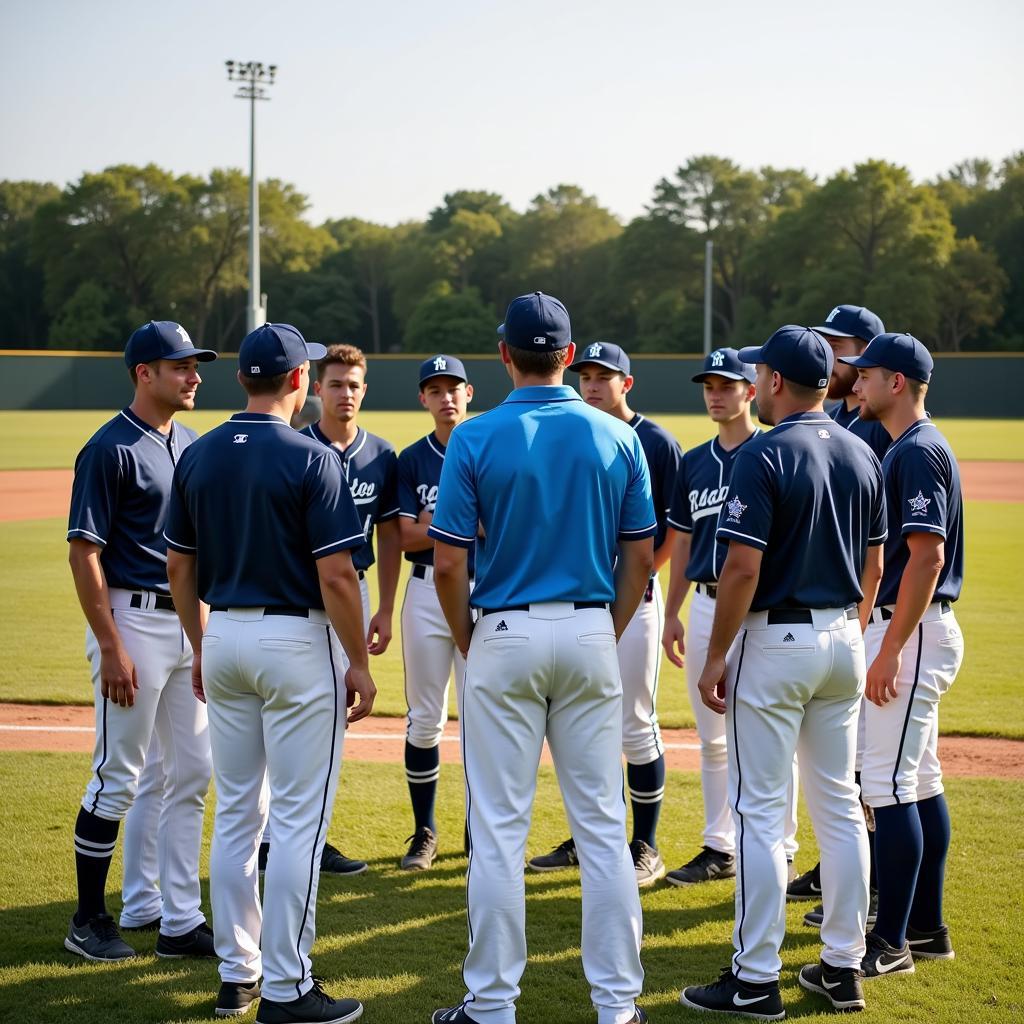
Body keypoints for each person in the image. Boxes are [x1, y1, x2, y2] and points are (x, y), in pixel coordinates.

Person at [428, 292, 654, 1024]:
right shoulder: (618, 436)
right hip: (590, 630)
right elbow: (641, 556)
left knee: (498, 831)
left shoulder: (473, 436)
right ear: (568, 354)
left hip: (503, 631)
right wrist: (606, 630)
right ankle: (618, 1007)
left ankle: (492, 1007)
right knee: (600, 826)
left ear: (503, 355)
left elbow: (446, 566)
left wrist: (470, 640)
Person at [164, 322, 376, 1024]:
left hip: (222, 635)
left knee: (236, 817)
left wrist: (199, 645)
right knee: (296, 822)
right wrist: (360, 664)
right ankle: (288, 986)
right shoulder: (312, 457)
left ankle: (238, 975)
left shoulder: (197, 454)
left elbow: (178, 565)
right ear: (296, 382)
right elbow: (339, 576)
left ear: (241, 379)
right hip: (294, 641)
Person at [680, 326, 887, 1018]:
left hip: (777, 640)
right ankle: (842, 967)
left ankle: (755, 978)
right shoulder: (863, 450)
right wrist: (845, 639)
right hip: (842, 636)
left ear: (770, 381)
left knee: (762, 813)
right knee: (838, 807)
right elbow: (876, 567)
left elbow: (741, 567)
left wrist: (716, 655)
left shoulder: (763, 453)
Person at [64, 320, 216, 963]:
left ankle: (173, 917)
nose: (194, 375)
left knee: (190, 772)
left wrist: (205, 637)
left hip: (186, 623)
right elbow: (84, 552)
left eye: (195, 364)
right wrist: (110, 644)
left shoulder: (190, 443)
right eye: (180, 365)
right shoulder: (110, 447)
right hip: (132, 621)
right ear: (143, 373)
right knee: (119, 777)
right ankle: (88, 919)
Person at [527, 341, 680, 886]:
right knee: (582, 728)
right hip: (584, 603)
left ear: (626, 383)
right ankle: (589, 834)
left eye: (604, 375)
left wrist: (640, 581)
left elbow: (671, 531)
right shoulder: (573, 430)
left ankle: (646, 844)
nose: (592, 384)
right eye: (585, 374)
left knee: (635, 723)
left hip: (633, 600)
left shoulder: (655, 441)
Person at [842, 333, 964, 977]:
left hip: (911, 632)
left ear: (896, 382)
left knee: (888, 787)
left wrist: (888, 649)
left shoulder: (915, 451)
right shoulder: (908, 446)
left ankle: (890, 944)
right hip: (913, 630)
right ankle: (926, 927)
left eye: (865, 375)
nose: (854, 384)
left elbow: (927, 556)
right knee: (917, 780)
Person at [661, 348, 801, 886]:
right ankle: (719, 846)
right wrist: (672, 611)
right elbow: (682, 540)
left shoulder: (773, 451)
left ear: (753, 389)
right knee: (712, 735)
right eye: (709, 386)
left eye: (727, 384)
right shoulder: (693, 462)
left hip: (761, 606)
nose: (715, 394)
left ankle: (783, 849)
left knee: (773, 736)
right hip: (704, 602)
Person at [258, 343, 400, 877]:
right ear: (315, 388)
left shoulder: (380, 455)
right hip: (301, 594)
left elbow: (389, 537)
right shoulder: (294, 446)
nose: (344, 393)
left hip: (353, 589)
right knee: (292, 712)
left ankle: (311, 833)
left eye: (353, 385)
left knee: (336, 713)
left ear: (365, 391)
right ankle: (279, 835)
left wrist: (385, 606)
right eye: (335, 383)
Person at [789, 305, 887, 915]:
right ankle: (839, 872)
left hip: (862, 617)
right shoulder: (851, 423)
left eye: (843, 345)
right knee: (842, 771)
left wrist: (865, 623)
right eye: (826, 345)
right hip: (845, 623)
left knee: (871, 771)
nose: (834, 356)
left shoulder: (874, 433)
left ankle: (875, 892)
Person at [395, 354, 474, 871]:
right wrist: (465, 523)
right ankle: (424, 831)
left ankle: (478, 828)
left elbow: (501, 525)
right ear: (423, 399)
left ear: (470, 394)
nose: (446, 397)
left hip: (482, 591)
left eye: (454, 388)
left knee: (482, 719)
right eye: (435, 389)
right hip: (424, 592)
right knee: (425, 719)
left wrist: (436, 522)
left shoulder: (485, 444)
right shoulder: (411, 459)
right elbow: (405, 537)